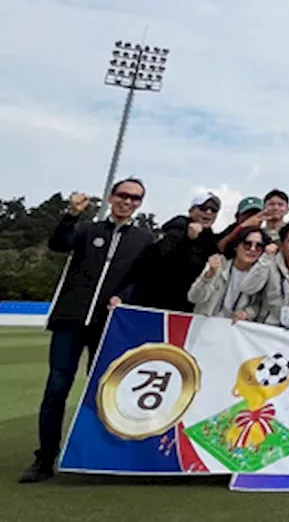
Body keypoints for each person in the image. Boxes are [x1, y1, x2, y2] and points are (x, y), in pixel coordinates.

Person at [21, 181, 152, 484]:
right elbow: (58, 243)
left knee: (104, 393)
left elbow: (141, 279)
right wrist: (71, 214)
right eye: (123, 195)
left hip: (107, 326)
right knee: (56, 389)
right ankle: (44, 459)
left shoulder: (144, 239)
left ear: (140, 204)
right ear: (111, 198)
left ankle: (96, 457)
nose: (128, 202)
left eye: (135, 198)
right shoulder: (87, 230)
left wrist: (125, 296)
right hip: (70, 321)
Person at [120, 193, 221, 313]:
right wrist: (187, 239)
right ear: (191, 211)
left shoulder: (211, 241)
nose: (209, 212)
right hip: (151, 304)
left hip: (183, 309)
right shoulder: (175, 230)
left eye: (213, 210)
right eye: (203, 208)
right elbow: (158, 258)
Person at [187, 227, 268, 321]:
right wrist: (209, 275)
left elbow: (260, 304)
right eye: (247, 244)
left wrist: (247, 313)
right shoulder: (219, 264)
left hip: (237, 329)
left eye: (258, 246)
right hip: (207, 324)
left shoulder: (263, 271)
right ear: (236, 246)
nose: (252, 249)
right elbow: (194, 297)